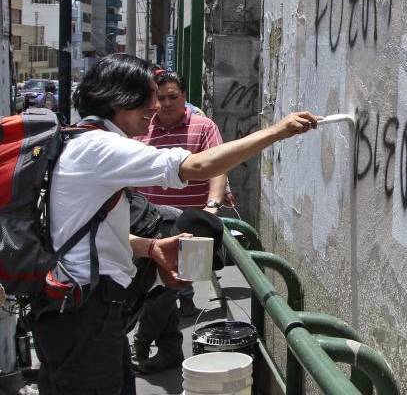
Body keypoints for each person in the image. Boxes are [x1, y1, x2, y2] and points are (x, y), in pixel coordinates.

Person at [30, 54, 319, 395]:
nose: (155, 106)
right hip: (85, 315)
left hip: (81, 312)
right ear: (120, 98)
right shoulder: (100, 146)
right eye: (149, 96)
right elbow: (197, 166)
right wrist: (277, 131)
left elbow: (86, 228)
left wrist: (148, 247)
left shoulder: (80, 140)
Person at [131, 68, 230, 372]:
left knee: (161, 290)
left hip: (187, 228)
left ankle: (142, 340)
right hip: (147, 225)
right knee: (157, 287)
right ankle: (171, 350)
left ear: (185, 96)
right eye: (160, 98)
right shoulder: (143, 128)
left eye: (173, 96)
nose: (166, 103)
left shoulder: (202, 126)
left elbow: (218, 166)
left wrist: (212, 208)